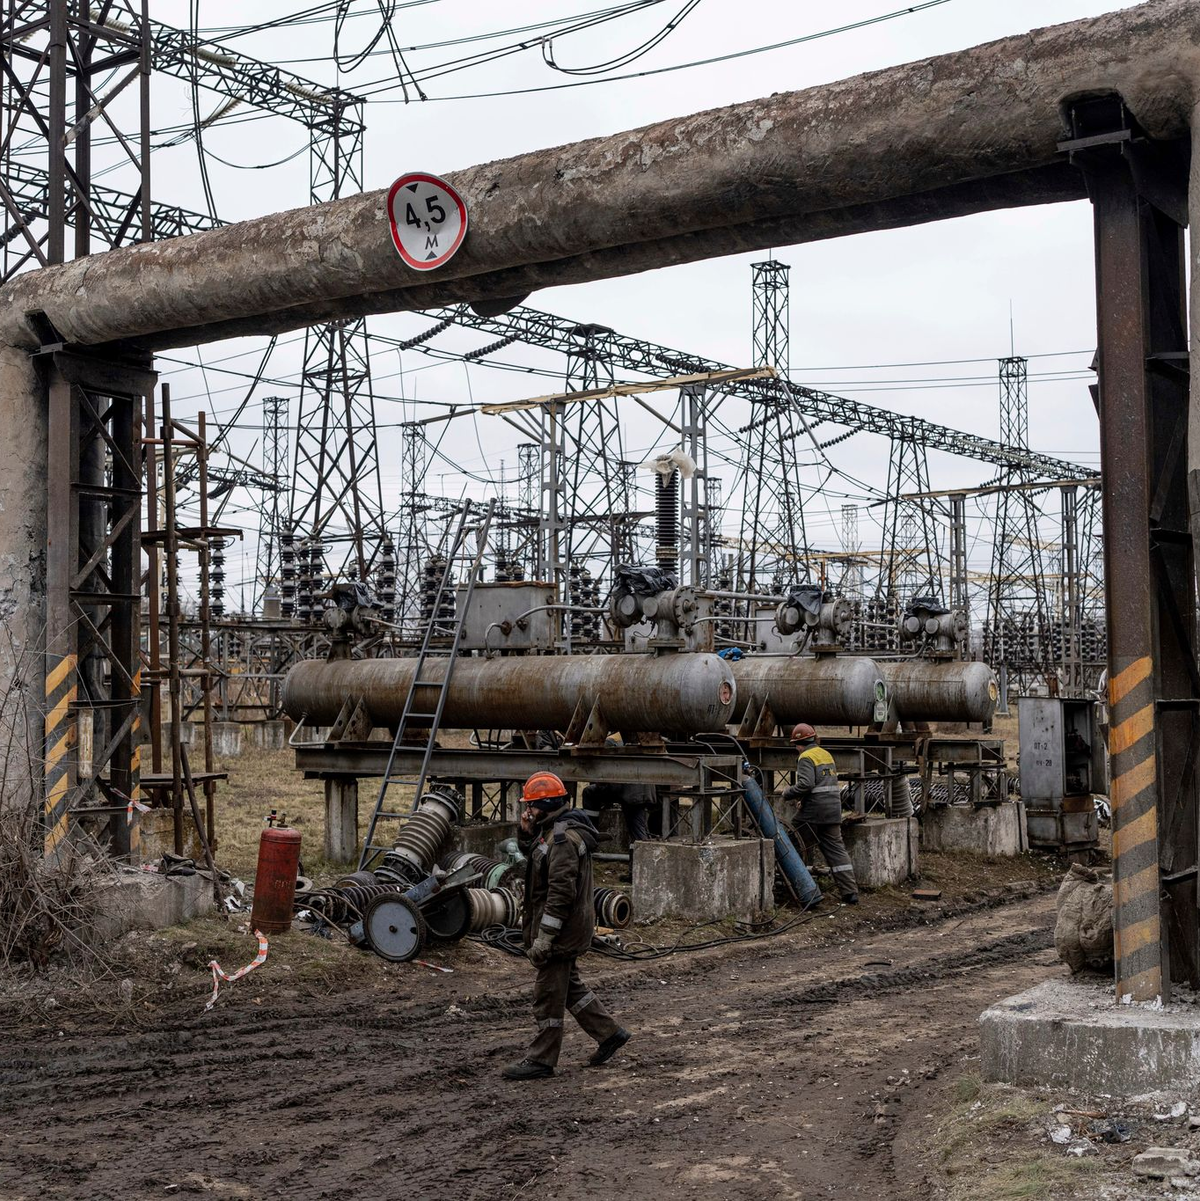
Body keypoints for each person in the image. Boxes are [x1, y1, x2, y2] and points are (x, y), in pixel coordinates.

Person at [502, 771, 631, 1080]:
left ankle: (541, 1060)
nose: (527, 811)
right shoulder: (554, 830)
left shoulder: (562, 839)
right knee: (571, 988)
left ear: (545, 805)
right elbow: (539, 864)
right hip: (569, 928)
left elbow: (560, 894)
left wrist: (545, 937)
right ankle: (609, 1033)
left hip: (562, 932)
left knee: (548, 993)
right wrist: (525, 834)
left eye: (531, 806)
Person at [781, 723, 859, 905]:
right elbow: (823, 784)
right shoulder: (825, 754)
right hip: (833, 809)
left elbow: (807, 784)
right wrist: (805, 799)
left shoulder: (805, 757)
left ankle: (803, 890)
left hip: (815, 811)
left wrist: (788, 793)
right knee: (836, 850)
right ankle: (850, 892)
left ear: (798, 743)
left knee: (793, 843)